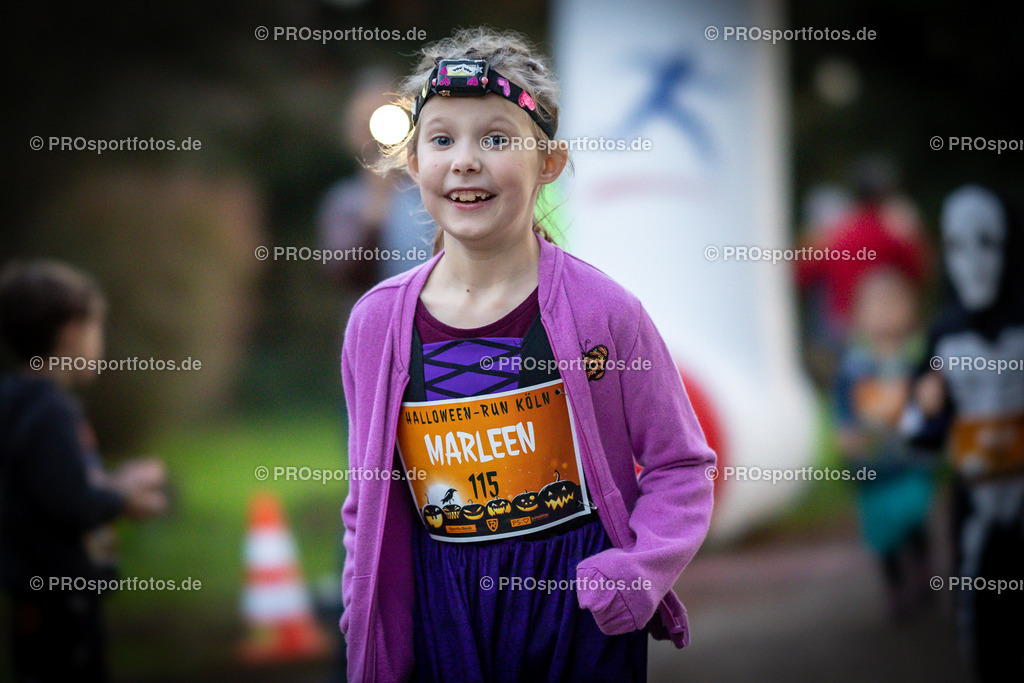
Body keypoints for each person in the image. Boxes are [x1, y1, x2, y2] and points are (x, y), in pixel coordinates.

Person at [338, 27, 716, 682]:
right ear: (412, 162)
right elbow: (365, 500)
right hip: (443, 614)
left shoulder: (606, 313)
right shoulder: (375, 325)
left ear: (550, 162)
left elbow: (681, 465)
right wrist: (363, 617)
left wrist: (634, 571)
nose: (465, 159)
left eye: (496, 137)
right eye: (442, 138)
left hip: (577, 619)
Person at [0, 260, 167, 682]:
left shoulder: (19, 399)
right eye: (97, 329)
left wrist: (116, 480)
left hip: (40, 598)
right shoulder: (51, 410)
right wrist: (125, 498)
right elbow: (70, 502)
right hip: (64, 604)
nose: (100, 344)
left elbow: (51, 484)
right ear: (72, 331)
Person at [904, 185, 1024, 681]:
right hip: (974, 494)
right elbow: (919, 428)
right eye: (957, 245)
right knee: (977, 608)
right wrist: (924, 407)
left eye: (986, 242)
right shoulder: (945, 331)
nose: (972, 261)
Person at [834, 268, 936, 620]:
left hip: (910, 460)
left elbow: (928, 401)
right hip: (872, 465)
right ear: (858, 315)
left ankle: (923, 573)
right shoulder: (853, 367)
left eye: (893, 304)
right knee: (882, 532)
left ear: (910, 310)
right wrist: (845, 432)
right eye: (875, 306)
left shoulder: (915, 360)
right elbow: (843, 407)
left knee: (913, 517)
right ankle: (896, 588)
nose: (885, 313)